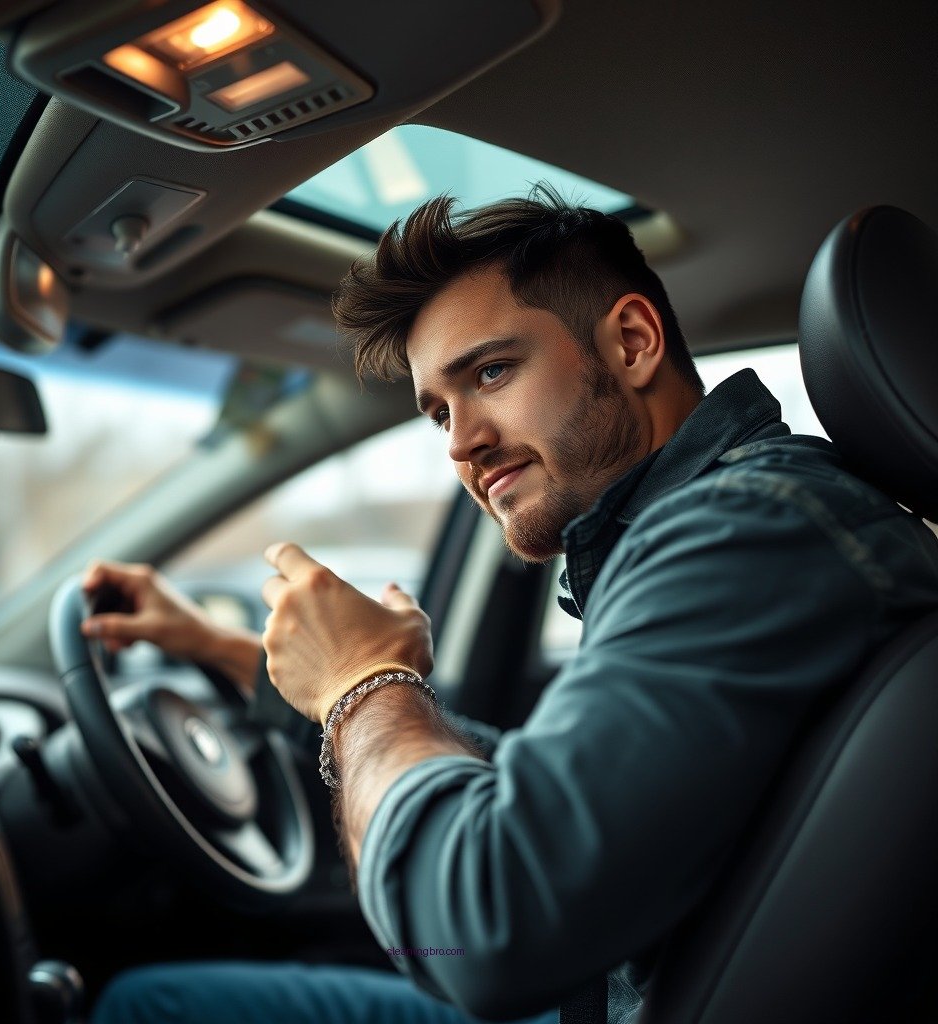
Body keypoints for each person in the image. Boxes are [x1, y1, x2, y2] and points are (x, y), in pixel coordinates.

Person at [89, 187, 938, 1024]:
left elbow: (479, 933)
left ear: (633, 342)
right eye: (439, 413)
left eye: (491, 372)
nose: (462, 443)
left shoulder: (745, 529)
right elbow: (565, 795)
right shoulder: (740, 526)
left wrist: (364, 681)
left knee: (146, 1004)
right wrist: (260, 664)